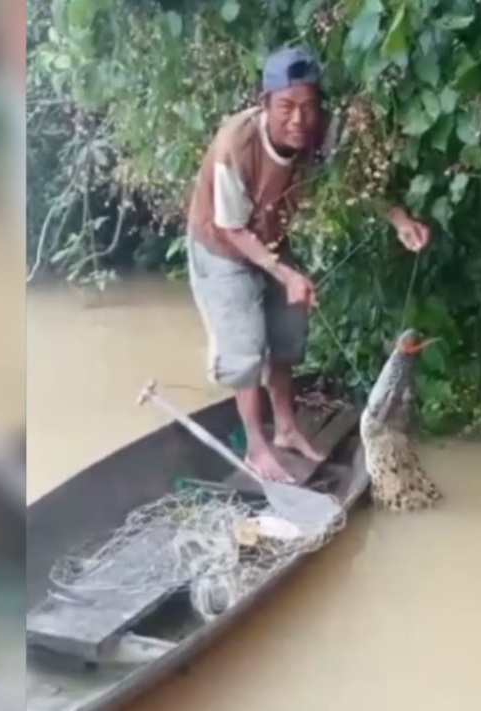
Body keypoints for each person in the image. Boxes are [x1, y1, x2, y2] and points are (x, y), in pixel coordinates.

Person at [185, 45, 431, 484]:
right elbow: (234, 230)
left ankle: (284, 428)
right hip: (221, 243)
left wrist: (399, 219)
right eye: (286, 107)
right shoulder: (234, 147)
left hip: (271, 238)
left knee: (288, 330)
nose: (298, 120)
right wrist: (284, 273)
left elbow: (355, 181)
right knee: (244, 344)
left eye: (308, 107)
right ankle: (257, 449)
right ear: (265, 104)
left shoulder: (321, 133)